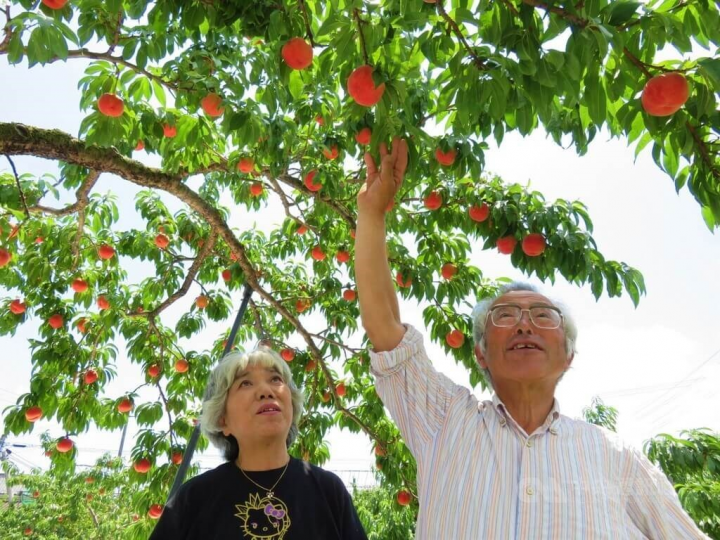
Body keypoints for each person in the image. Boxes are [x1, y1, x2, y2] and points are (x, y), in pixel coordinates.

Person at [354, 138, 710, 539]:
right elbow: (385, 328)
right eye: (505, 316)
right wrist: (371, 214)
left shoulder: (618, 459)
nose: (524, 325)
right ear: (481, 355)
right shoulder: (445, 421)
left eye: (543, 316)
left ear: (569, 355)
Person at [150, 347, 368, 540]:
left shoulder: (329, 491)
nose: (266, 391)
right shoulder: (194, 499)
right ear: (222, 420)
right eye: (245, 383)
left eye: (275, 379)